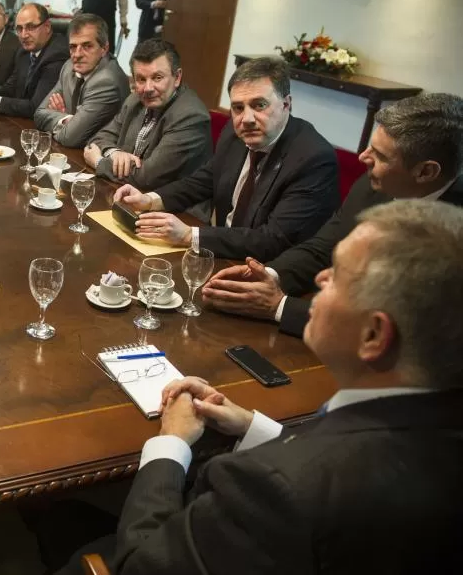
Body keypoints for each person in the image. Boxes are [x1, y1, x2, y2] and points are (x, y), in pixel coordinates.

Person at [45, 199, 463, 575]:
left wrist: (171, 442)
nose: (319, 278)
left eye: (338, 277)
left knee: (63, 530)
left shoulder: (272, 488)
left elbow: (141, 565)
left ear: (374, 336)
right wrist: (250, 426)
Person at [203, 92, 463, 336]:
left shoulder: (454, 236)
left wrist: (279, 307)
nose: (363, 157)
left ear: (426, 172)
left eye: (381, 156)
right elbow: (323, 247)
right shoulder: (373, 183)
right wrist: (267, 276)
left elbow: (405, 326)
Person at [112, 57, 339, 261]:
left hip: (263, 270)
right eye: (238, 107)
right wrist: (150, 200)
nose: (247, 118)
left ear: (286, 104)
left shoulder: (313, 159)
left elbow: (273, 239)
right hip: (219, 253)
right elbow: (204, 180)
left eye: (259, 105)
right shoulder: (234, 132)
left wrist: (189, 235)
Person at [83, 39, 211, 189]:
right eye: (141, 79)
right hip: (126, 192)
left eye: (157, 78)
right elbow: (99, 138)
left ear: (177, 78)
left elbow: (145, 178)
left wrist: (99, 162)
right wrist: (115, 153)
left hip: (173, 208)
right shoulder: (135, 100)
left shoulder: (190, 117)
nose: (148, 88)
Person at [34, 13, 130, 148]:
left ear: (104, 48)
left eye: (87, 46)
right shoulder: (69, 67)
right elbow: (39, 114)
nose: (77, 54)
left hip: (105, 159)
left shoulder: (106, 82)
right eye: (73, 47)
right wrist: (66, 119)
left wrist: (63, 120)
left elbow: (69, 138)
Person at [0, 2, 68, 119]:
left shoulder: (56, 55)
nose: (24, 35)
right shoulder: (24, 52)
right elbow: (13, 87)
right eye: (19, 29)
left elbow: (36, 107)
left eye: (31, 27)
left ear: (47, 27)